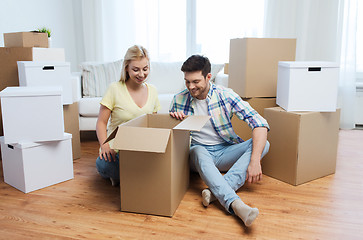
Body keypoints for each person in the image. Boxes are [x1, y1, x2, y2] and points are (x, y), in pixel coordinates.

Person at [169, 55, 270, 227]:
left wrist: (254, 161)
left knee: (263, 145)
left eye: (195, 81)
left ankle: (214, 193)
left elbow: (259, 123)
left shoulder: (225, 95)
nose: (191, 87)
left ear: (209, 77)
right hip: (197, 153)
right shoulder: (179, 99)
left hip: (224, 151)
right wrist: (174, 121)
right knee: (198, 151)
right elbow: (172, 140)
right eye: (187, 82)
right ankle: (235, 204)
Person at [96, 45, 160, 186]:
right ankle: (134, 175)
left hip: (141, 149)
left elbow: (153, 125)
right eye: (135, 69)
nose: (141, 74)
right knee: (104, 165)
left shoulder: (153, 91)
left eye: (145, 69)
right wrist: (105, 145)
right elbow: (101, 122)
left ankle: (127, 176)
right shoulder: (114, 89)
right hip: (117, 150)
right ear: (126, 68)